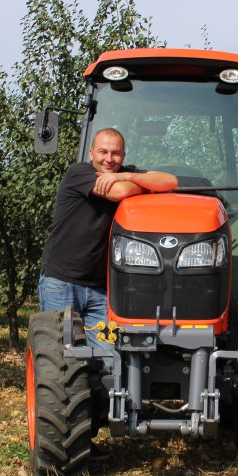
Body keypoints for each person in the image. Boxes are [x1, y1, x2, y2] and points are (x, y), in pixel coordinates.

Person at [38, 127, 177, 355]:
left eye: (116, 153)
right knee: (61, 358)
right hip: (62, 282)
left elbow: (169, 181)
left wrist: (126, 175)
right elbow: (119, 192)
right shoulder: (78, 173)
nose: (109, 159)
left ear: (123, 155)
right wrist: (141, 184)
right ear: (91, 153)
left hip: (100, 290)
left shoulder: (121, 173)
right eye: (103, 152)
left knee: (109, 359)